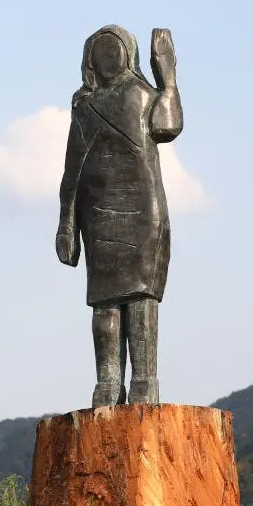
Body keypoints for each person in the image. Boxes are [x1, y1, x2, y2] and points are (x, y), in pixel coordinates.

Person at [56, 24, 183, 407]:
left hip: (142, 208)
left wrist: (169, 79)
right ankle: (107, 385)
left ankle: (145, 383)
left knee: (141, 297)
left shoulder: (144, 95)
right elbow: (72, 168)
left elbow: (167, 125)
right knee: (104, 302)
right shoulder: (83, 105)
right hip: (99, 214)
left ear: (128, 55)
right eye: (101, 52)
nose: (108, 59)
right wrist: (67, 222)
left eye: (114, 50)